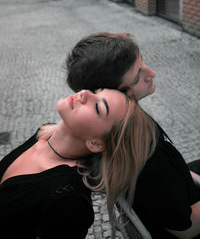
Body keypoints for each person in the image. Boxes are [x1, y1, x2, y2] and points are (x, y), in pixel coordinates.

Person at [65, 32, 200, 239]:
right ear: (111, 94)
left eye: (143, 63)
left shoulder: (124, 135)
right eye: (138, 76)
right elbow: (187, 229)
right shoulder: (148, 159)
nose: (152, 73)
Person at [0, 88, 154, 239]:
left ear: (95, 143)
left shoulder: (69, 203)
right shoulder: (43, 133)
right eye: (96, 93)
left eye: (97, 107)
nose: (85, 93)